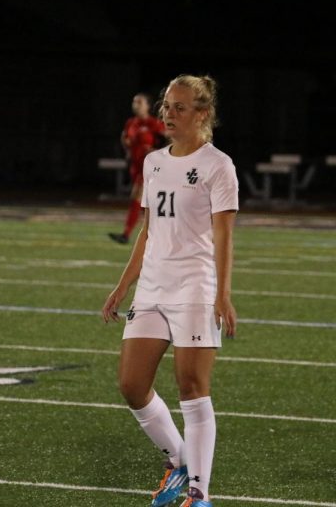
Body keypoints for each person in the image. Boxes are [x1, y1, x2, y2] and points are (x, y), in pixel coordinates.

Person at [102, 74, 239, 507]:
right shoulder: (155, 161)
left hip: (195, 287)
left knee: (192, 387)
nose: (168, 114)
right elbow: (148, 230)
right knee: (131, 384)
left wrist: (223, 294)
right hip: (153, 288)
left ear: (202, 113)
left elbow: (224, 237)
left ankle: (199, 493)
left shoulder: (219, 165)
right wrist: (122, 286)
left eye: (179, 107)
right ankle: (179, 462)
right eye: (166, 106)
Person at [109, 91, 166, 244]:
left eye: (140, 102)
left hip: (149, 167)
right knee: (144, 203)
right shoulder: (131, 123)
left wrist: (157, 152)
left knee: (137, 196)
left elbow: (171, 140)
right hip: (135, 166)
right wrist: (125, 145)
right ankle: (162, 234)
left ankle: (126, 234)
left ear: (148, 106)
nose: (136, 105)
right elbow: (128, 143)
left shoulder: (153, 123)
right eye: (134, 102)